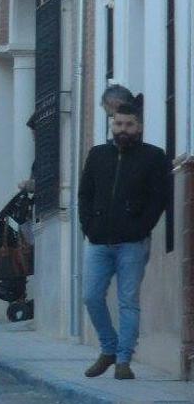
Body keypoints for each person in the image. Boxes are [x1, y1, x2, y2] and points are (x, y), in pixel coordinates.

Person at [78, 102, 168, 380]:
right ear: (112, 125)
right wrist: (89, 226)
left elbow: (158, 199)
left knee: (128, 301)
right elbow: (85, 194)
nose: (123, 130)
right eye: (118, 124)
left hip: (132, 243)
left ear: (138, 127)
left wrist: (140, 228)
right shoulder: (97, 155)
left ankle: (123, 360)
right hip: (98, 242)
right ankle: (109, 348)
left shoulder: (153, 157)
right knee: (91, 297)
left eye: (129, 125)